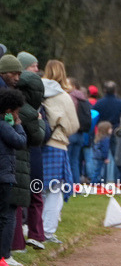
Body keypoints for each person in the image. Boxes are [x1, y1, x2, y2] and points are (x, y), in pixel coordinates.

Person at [40, 61, 80, 243]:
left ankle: (33, 230)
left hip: (37, 144)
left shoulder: (37, 93)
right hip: (56, 145)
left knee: (37, 190)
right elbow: (74, 126)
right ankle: (47, 231)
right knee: (54, 192)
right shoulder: (64, 97)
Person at [12, 68, 46, 251]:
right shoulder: (31, 112)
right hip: (30, 159)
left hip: (21, 161)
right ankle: (36, 234)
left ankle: (22, 239)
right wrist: (40, 121)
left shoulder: (13, 107)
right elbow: (40, 136)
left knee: (18, 201)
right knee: (35, 194)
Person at [0, 88, 27, 266]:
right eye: (16, 111)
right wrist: (18, 124)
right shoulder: (4, 126)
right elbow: (20, 141)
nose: (18, 114)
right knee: (7, 217)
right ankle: (4, 256)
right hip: (4, 176)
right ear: (9, 111)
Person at [93, 81, 121, 183]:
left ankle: (102, 181)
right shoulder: (120, 103)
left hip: (102, 133)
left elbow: (92, 116)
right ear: (115, 91)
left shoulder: (99, 103)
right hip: (116, 133)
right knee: (116, 157)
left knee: (102, 157)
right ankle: (117, 180)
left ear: (104, 91)